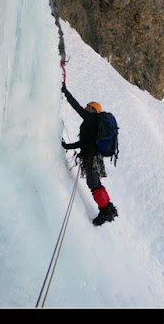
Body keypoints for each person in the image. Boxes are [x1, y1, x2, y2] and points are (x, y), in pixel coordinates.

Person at [61, 83, 118, 226]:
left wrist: (65, 91)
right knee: (96, 183)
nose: (86, 108)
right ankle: (108, 207)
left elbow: (76, 107)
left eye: (88, 107)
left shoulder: (91, 119)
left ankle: (105, 211)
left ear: (93, 110)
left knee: (93, 184)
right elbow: (84, 142)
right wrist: (67, 146)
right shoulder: (93, 124)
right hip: (94, 156)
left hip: (91, 157)